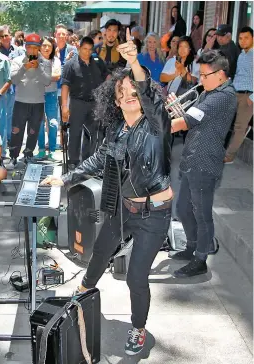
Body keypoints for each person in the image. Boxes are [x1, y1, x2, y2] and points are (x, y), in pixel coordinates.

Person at [42, 28, 173, 356]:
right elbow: (100, 159)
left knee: (135, 278)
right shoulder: (116, 130)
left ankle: (138, 329)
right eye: (122, 92)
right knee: (100, 252)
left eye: (134, 91)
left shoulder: (155, 124)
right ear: (115, 101)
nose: (129, 95)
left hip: (154, 214)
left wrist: (134, 64)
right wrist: (66, 178)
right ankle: (82, 293)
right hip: (124, 208)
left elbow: (149, 94)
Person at [170, 50, 237, 277]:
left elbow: (187, 121)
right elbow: (192, 116)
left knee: (202, 213)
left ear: (220, 74)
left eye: (205, 75)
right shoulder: (209, 91)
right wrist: (177, 110)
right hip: (192, 158)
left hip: (204, 162)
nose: (200, 80)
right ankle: (192, 246)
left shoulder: (223, 96)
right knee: (182, 208)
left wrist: (158, 121)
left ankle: (200, 259)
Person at [61, 36, 110, 167]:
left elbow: (107, 77)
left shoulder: (98, 61)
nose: (87, 52)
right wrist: (64, 106)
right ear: (79, 48)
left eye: (90, 49)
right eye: (84, 49)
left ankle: (88, 160)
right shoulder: (70, 64)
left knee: (93, 133)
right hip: (77, 102)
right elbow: (65, 86)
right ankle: (73, 161)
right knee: (75, 132)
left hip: (95, 103)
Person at [6, 33, 52, 168]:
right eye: (29, 47)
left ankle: (28, 155)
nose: (32, 50)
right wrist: (24, 67)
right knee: (16, 130)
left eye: (35, 48)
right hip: (21, 101)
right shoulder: (18, 60)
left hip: (37, 103)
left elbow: (47, 81)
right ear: (25, 47)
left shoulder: (45, 62)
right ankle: (13, 156)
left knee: (33, 131)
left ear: (38, 48)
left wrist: (37, 68)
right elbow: (13, 80)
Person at [224, 27, 253, 164]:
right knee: (227, 121)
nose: (243, 41)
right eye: (240, 38)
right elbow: (238, 75)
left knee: (239, 127)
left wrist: (252, 98)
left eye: (246, 38)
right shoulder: (242, 55)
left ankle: (229, 156)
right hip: (236, 92)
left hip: (248, 96)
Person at [35, 36, 61, 161]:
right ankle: (40, 150)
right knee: (38, 123)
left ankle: (52, 150)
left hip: (51, 94)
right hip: (37, 94)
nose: (46, 48)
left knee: (53, 123)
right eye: (44, 45)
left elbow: (57, 76)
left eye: (49, 46)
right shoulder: (33, 59)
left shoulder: (55, 60)